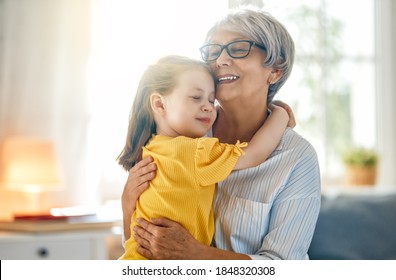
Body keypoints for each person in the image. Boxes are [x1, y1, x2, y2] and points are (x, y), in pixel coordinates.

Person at [121, 8, 321, 260]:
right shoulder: (180, 134)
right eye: (213, 52)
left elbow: (283, 266)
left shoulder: (297, 157)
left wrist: (197, 255)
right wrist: (127, 204)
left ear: (275, 69)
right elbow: (139, 243)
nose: (220, 60)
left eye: (238, 49)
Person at [117, 55, 290, 259]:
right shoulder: (194, 152)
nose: (209, 107)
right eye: (195, 98)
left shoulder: (150, 149)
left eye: (211, 99)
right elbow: (253, 154)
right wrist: (280, 115)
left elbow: (132, 239)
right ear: (160, 105)